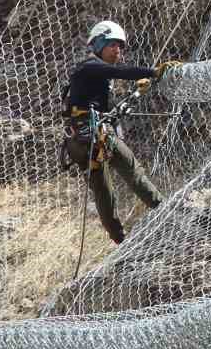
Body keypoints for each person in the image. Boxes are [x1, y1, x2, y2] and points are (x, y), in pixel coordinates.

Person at [60, 20, 179, 244]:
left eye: (120, 46)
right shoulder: (90, 66)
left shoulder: (94, 75)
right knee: (132, 174)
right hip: (94, 136)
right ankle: (165, 213)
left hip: (82, 140)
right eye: (113, 44)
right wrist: (155, 72)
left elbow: (109, 112)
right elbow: (121, 72)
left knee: (104, 192)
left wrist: (136, 93)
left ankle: (120, 241)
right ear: (98, 45)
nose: (118, 50)